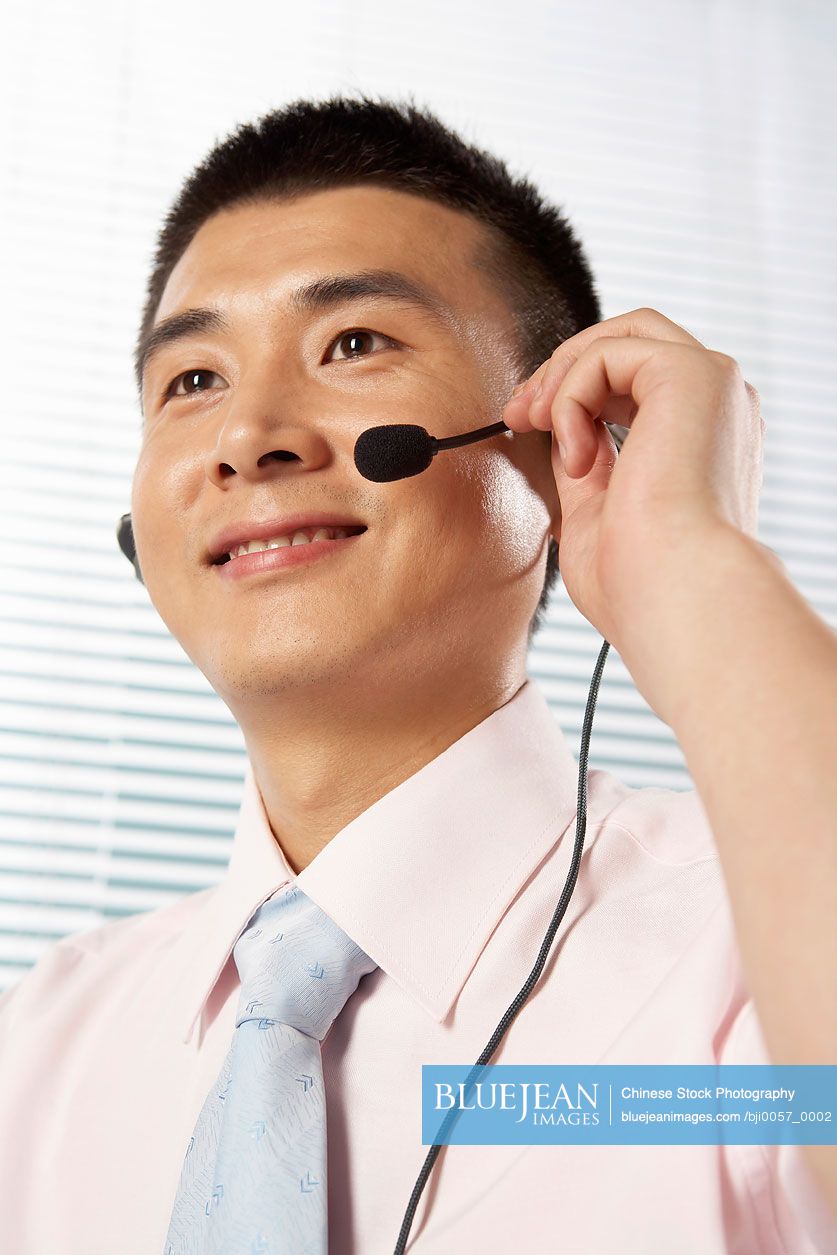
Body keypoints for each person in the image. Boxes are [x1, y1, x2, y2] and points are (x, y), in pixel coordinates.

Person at [0, 92, 835, 1255]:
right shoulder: (40, 1048)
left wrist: (695, 562)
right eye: (191, 381)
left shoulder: (748, 957)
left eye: (355, 343)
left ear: (553, 447)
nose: (250, 437)